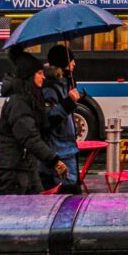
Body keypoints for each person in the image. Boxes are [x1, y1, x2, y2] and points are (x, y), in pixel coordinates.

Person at [0, 50, 66, 195]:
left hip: (27, 166)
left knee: (37, 207)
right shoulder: (18, 102)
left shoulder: (28, 99)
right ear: (29, 76)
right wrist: (54, 160)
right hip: (13, 170)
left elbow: (44, 124)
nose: (43, 77)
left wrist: (68, 104)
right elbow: (30, 138)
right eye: (39, 73)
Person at [42, 43, 83, 192]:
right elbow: (49, 119)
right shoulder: (51, 88)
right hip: (60, 152)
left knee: (72, 195)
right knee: (67, 197)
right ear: (63, 62)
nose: (74, 63)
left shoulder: (64, 83)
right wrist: (68, 102)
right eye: (71, 59)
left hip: (68, 150)